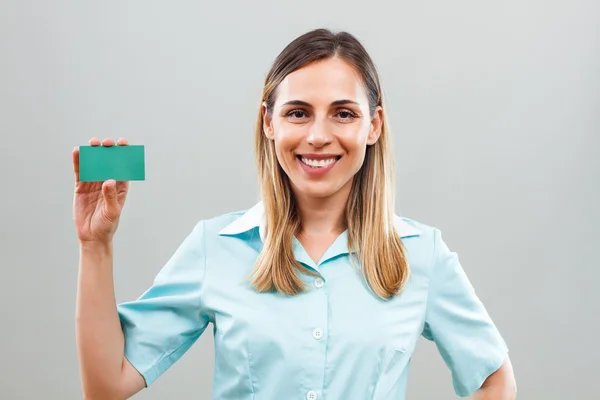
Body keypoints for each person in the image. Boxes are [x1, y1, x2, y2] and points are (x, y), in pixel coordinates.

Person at [73, 28, 517, 400]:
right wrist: (95, 246)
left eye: (343, 113)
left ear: (373, 126)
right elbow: (106, 384)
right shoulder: (216, 247)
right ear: (269, 123)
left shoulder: (422, 255)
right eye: (298, 113)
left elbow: (494, 378)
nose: (319, 136)